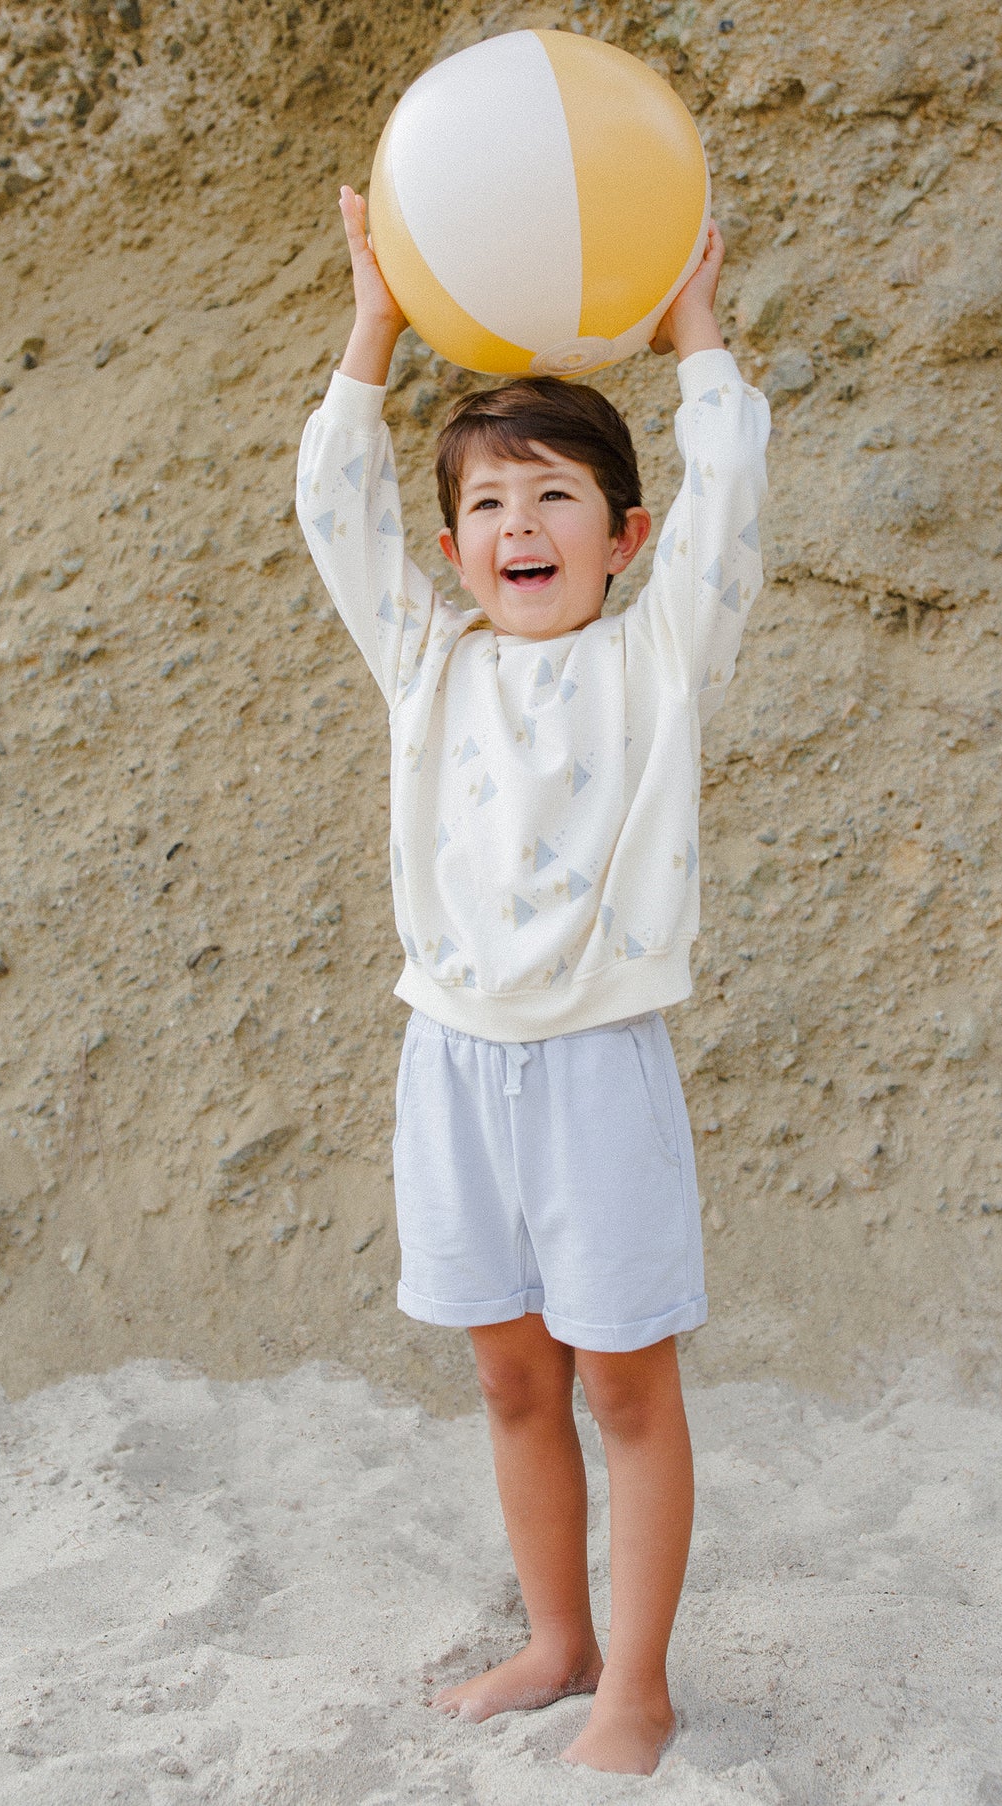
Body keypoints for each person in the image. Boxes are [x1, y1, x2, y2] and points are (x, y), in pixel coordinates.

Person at [296, 184, 770, 1775]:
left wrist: (694, 334)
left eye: (555, 496)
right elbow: (330, 505)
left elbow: (732, 499)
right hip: (450, 1068)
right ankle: (554, 1636)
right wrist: (372, 318)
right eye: (490, 505)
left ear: (622, 535)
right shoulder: (428, 666)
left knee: (625, 1386)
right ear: (453, 548)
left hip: (594, 1068)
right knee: (509, 1373)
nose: (519, 527)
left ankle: (635, 1677)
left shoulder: (654, 660)